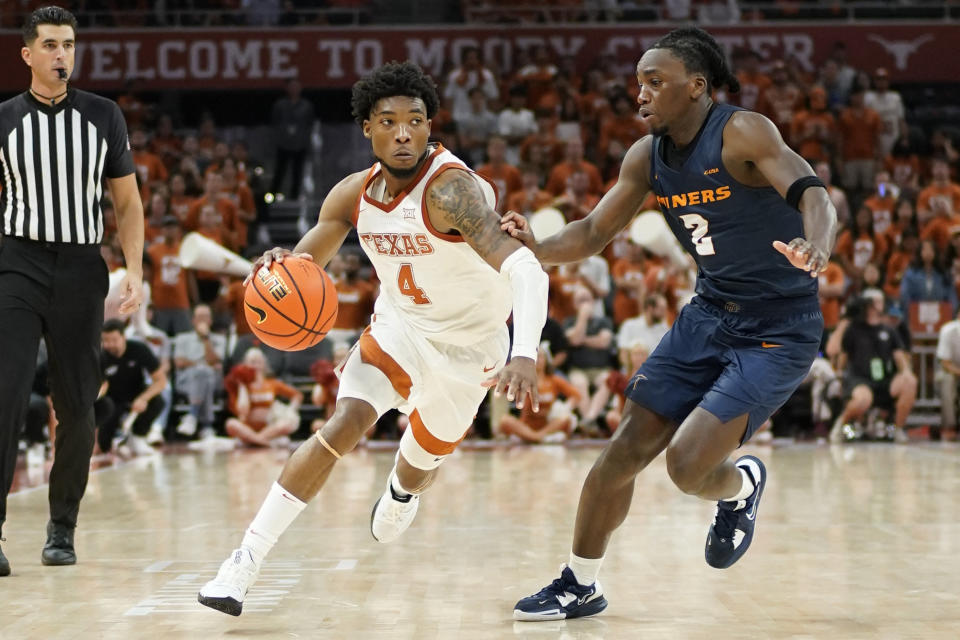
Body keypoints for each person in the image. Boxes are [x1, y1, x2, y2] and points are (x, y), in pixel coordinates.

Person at [503, 27, 837, 620]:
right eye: (639, 83)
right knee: (622, 451)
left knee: (687, 467)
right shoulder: (646, 156)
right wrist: (536, 246)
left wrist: (816, 246)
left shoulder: (742, 132)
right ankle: (580, 583)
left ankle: (740, 488)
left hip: (778, 328)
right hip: (708, 315)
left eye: (655, 82)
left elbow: (815, 195)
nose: (641, 94)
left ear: (698, 86)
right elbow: (591, 233)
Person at [197, 61, 548, 616]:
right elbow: (306, 260)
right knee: (344, 425)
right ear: (368, 128)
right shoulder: (351, 195)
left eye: (415, 120)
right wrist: (279, 269)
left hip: (470, 348)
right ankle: (244, 560)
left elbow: (528, 269)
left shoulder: (450, 192)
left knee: (419, 464)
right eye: (389, 121)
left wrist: (524, 351)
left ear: (431, 125)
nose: (403, 133)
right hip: (401, 329)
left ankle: (403, 491)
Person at [0, 6, 144, 577]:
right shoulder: (4, 120)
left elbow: (127, 202)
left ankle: (62, 526)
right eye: (51, 44)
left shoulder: (103, 116)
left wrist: (135, 267)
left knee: (78, 402)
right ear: (27, 54)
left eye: (69, 44)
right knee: (5, 395)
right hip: (16, 261)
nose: (63, 54)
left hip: (83, 267)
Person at [96, 319, 167, 456]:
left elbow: (161, 381)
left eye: (114, 340)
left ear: (124, 337)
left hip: (136, 393)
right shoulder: (100, 357)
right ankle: (117, 440)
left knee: (158, 401)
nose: (109, 344)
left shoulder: (139, 349)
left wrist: (143, 398)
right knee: (104, 444)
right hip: (112, 400)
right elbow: (101, 387)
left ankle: (138, 437)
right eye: (105, 340)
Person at [223, 348, 303, 447]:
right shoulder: (239, 386)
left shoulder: (272, 383)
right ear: (245, 364)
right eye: (252, 362)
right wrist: (242, 385)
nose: (256, 365)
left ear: (264, 364)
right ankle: (262, 441)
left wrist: (290, 411)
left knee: (288, 423)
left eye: (259, 362)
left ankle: (255, 440)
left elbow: (297, 395)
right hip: (247, 427)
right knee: (231, 424)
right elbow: (242, 412)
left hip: (270, 427)